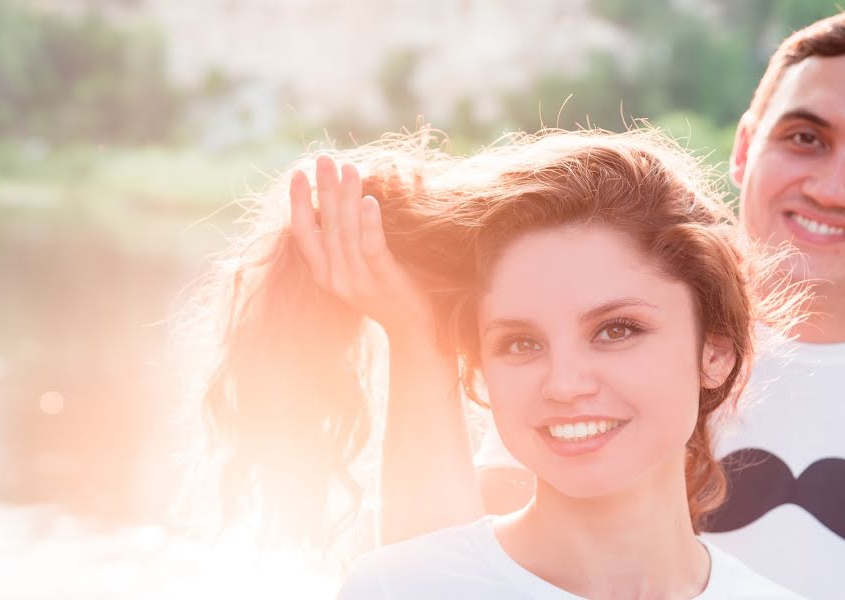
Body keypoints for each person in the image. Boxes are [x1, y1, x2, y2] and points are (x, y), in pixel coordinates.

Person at [198, 126, 806, 597]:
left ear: (715, 353)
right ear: (479, 372)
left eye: (617, 330)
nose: (566, 384)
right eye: (521, 343)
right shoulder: (400, 589)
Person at [465, 12, 845, 598]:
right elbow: (459, 572)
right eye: (804, 138)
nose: (831, 189)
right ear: (745, 148)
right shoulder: (598, 358)